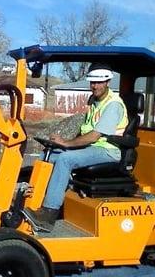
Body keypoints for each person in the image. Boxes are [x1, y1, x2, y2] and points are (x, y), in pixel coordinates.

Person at [23, 63, 128, 231]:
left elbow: (94, 136)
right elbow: (85, 131)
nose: (95, 86)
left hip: (108, 151)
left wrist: (66, 143)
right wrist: (61, 142)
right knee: (49, 155)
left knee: (65, 158)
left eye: (99, 82)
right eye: (92, 82)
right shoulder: (94, 101)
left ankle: (48, 214)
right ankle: (32, 198)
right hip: (94, 147)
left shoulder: (113, 105)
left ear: (107, 82)